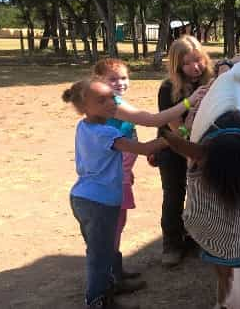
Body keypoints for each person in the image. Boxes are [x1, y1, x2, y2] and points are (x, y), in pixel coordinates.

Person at [62, 79, 169, 309]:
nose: (111, 103)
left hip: (84, 198)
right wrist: (177, 134)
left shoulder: (83, 126)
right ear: (84, 107)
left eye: (112, 97)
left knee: (102, 250)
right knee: (99, 256)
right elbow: (146, 149)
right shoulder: (107, 133)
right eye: (101, 100)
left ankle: (110, 287)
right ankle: (97, 302)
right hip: (99, 203)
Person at [155, 35, 214, 267]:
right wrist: (191, 107)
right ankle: (171, 243)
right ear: (177, 65)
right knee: (174, 194)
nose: (195, 67)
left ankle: (197, 238)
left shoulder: (213, 80)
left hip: (202, 148)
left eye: (198, 60)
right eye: (187, 63)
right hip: (173, 148)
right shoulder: (168, 88)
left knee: (201, 195)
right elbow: (178, 132)